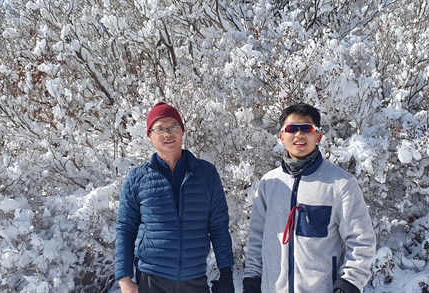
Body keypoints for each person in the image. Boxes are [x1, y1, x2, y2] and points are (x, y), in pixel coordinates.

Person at [243, 103, 376, 293]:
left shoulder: (340, 184)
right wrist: (252, 279)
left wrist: (350, 283)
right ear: (281, 137)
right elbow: (257, 238)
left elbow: (361, 240)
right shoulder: (269, 183)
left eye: (306, 128)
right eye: (291, 129)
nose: (299, 135)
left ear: (318, 136)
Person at [114, 102, 235, 293]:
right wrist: (124, 278)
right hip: (152, 280)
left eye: (173, 126)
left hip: (194, 278)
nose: (167, 133)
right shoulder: (137, 178)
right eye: (160, 129)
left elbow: (218, 226)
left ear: (182, 131)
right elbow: (125, 229)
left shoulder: (206, 174)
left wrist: (226, 274)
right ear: (150, 136)